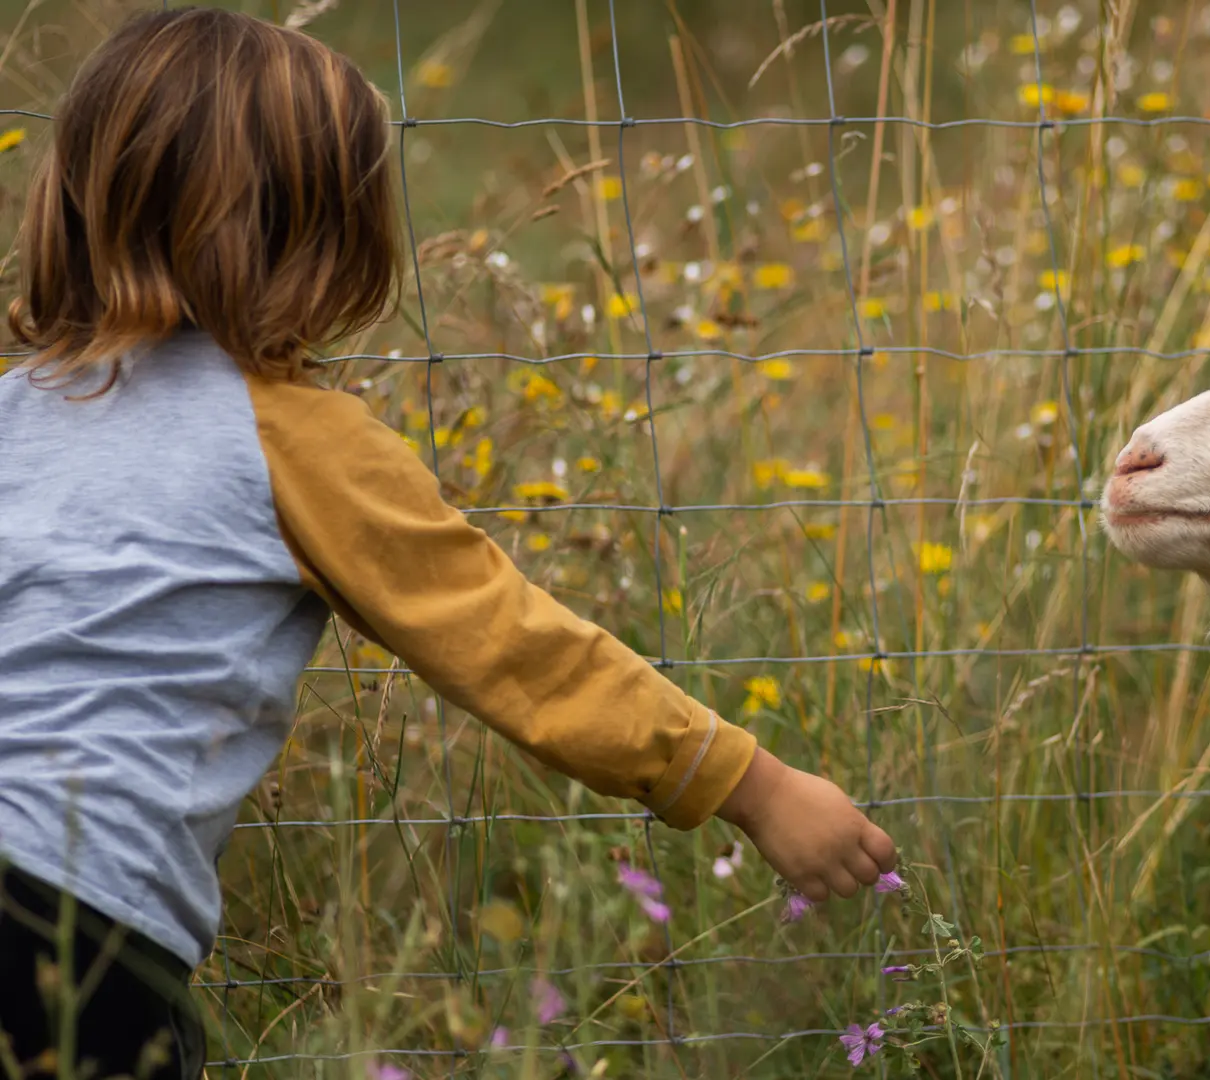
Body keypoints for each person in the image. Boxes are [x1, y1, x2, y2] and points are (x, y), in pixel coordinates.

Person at [0, 8, 896, 1077]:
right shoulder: (292, 436)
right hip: (69, 928)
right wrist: (753, 785)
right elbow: (517, 647)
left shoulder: (14, 412)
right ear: (315, 236)